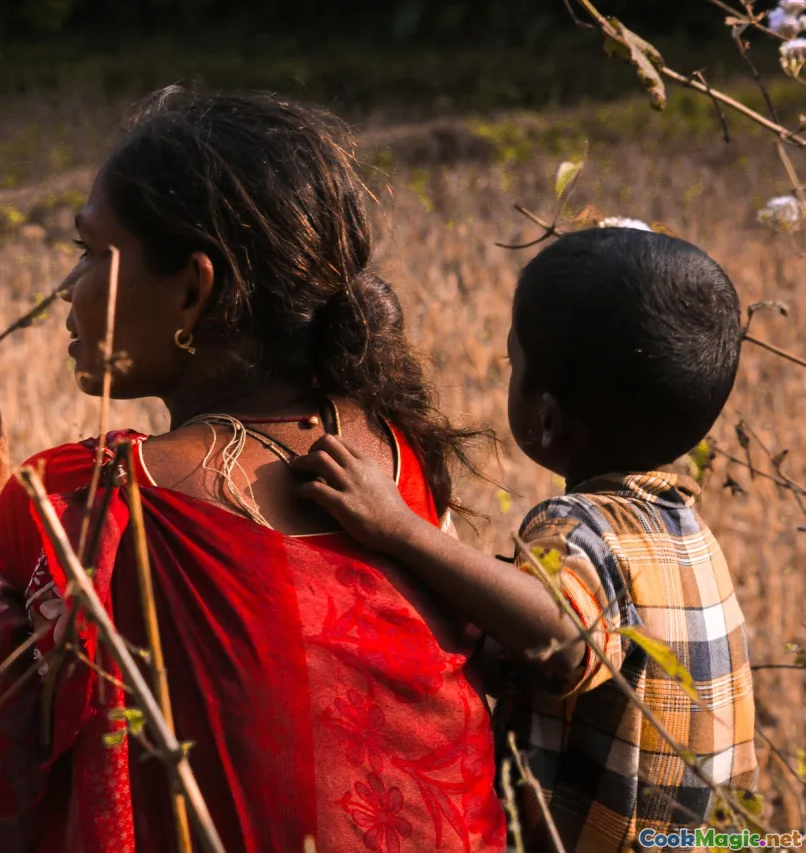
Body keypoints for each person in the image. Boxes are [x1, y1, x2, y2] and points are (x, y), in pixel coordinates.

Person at [0, 88, 506, 853]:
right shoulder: (392, 452)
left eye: (90, 253)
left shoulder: (100, 492)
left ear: (192, 291)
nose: (66, 288)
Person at [290, 228, 758, 852]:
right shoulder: (689, 535)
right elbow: (545, 657)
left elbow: (564, 639)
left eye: (514, 363)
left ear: (546, 419)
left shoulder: (579, 527)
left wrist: (400, 529)